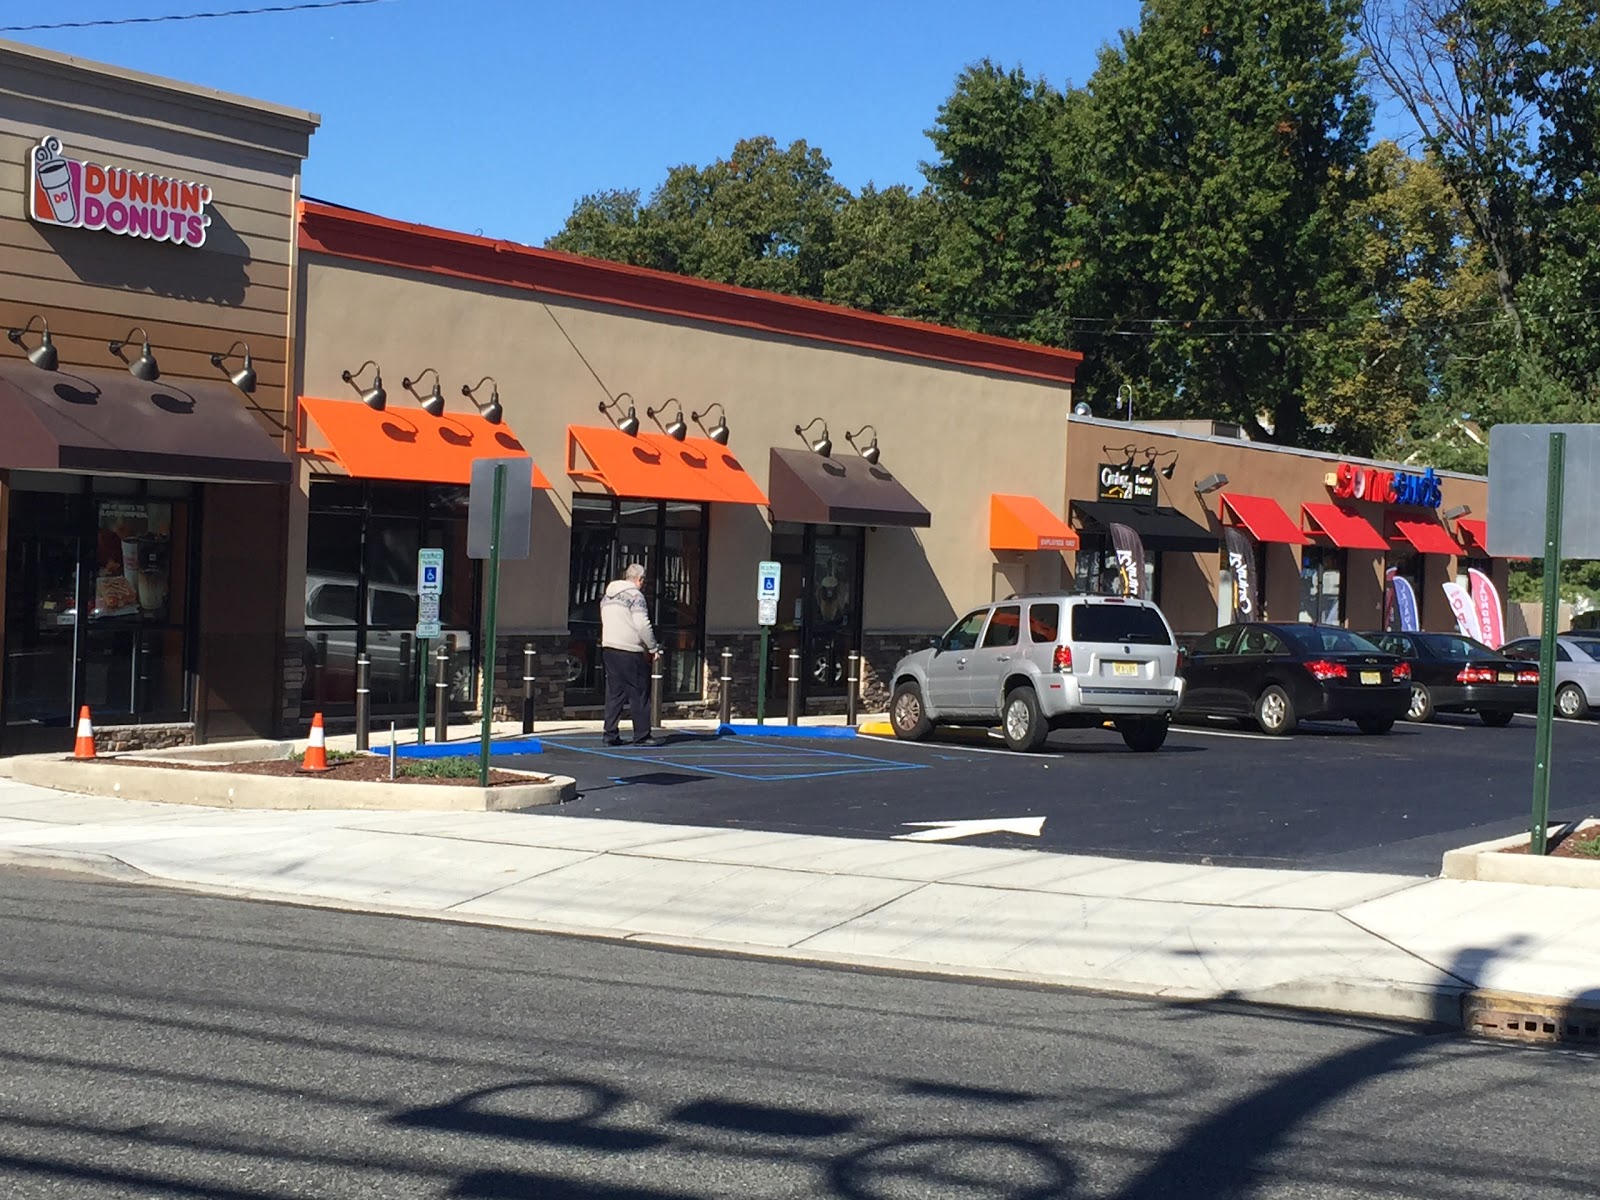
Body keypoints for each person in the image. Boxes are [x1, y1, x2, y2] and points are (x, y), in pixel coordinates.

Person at [600, 563, 661, 746]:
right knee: (639, 693)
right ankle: (642, 735)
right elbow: (642, 624)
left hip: (609, 648)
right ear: (639, 579)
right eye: (643, 580)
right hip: (629, 650)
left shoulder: (608, 595)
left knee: (614, 693)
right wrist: (653, 648)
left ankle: (610, 734)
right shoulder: (636, 596)